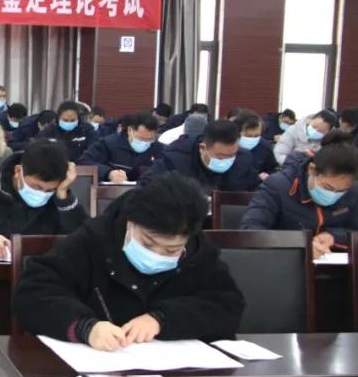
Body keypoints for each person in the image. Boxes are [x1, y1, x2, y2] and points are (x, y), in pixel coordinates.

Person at [14, 173, 244, 351]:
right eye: (148, 243)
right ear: (130, 224)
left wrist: (162, 319)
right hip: (95, 375)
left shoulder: (199, 254)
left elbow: (227, 306)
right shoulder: (93, 240)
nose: (157, 255)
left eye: (171, 250)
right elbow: (33, 293)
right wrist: (86, 327)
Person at [242, 131, 358, 259]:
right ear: (312, 169)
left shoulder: (354, 191)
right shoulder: (277, 186)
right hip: (285, 262)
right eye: (327, 187)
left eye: (341, 191)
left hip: (337, 263)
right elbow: (251, 230)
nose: (333, 194)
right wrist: (300, 244)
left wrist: (334, 237)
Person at [141, 119, 260, 192]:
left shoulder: (243, 159)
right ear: (203, 148)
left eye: (232, 156)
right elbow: (146, 186)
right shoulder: (176, 156)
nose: (227, 160)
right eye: (220, 157)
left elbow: (257, 191)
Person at [77, 112, 161, 183]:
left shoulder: (158, 148)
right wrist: (108, 173)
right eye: (140, 138)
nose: (144, 143)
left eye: (149, 139)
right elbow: (83, 161)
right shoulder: (108, 144)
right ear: (130, 130)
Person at [231, 110, 279, 180]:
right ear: (238, 132)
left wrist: (267, 175)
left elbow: (273, 169)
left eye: (256, 136)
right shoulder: (227, 146)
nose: (252, 139)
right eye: (248, 136)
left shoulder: (265, 147)